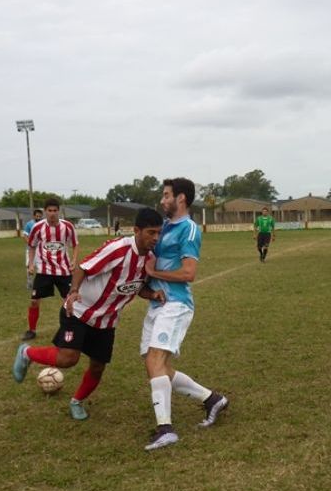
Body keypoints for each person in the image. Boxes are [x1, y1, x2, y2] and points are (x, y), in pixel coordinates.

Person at [12, 208, 165, 420]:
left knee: (97, 367)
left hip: (107, 321)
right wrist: (73, 292)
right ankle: (26, 353)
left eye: (159, 233)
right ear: (137, 230)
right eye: (151, 232)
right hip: (79, 311)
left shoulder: (151, 258)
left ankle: (77, 401)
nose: (156, 238)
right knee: (68, 358)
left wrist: (152, 293)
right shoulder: (117, 249)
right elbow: (82, 268)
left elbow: (134, 287)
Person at [141, 177, 228, 451]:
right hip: (158, 303)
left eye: (167, 195)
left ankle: (165, 429)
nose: (162, 200)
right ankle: (211, 399)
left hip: (176, 304)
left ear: (181, 199)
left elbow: (189, 273)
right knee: (156, 366)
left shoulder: (189, 229)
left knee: (156, 360)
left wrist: (155, 273)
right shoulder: (165, 226)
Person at [22, 199, 79, 341]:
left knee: (69, 301)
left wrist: (73, 260)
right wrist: (30, 264)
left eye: (55, 210)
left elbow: (75, 245)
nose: (52, 213)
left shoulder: (68, 226)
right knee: (34, 301)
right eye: (50, 210)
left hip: (63, 270)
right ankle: (31, 330)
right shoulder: (37, 227)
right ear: (45, 211)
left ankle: (70, 329)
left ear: (58, 211)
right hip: (44, 271)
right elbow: (32, 246)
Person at [23, 209, 43, 289]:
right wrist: (31, 244)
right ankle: (29, 282)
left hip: (41, 250)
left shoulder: (43, 224)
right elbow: (25, 236)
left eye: (40, 216)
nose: (38, 217)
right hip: (30, 249)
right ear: (34, 216)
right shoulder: (29, 224)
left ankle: (39, 283)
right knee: (29, 265)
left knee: (41, 266)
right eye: (37, 216)